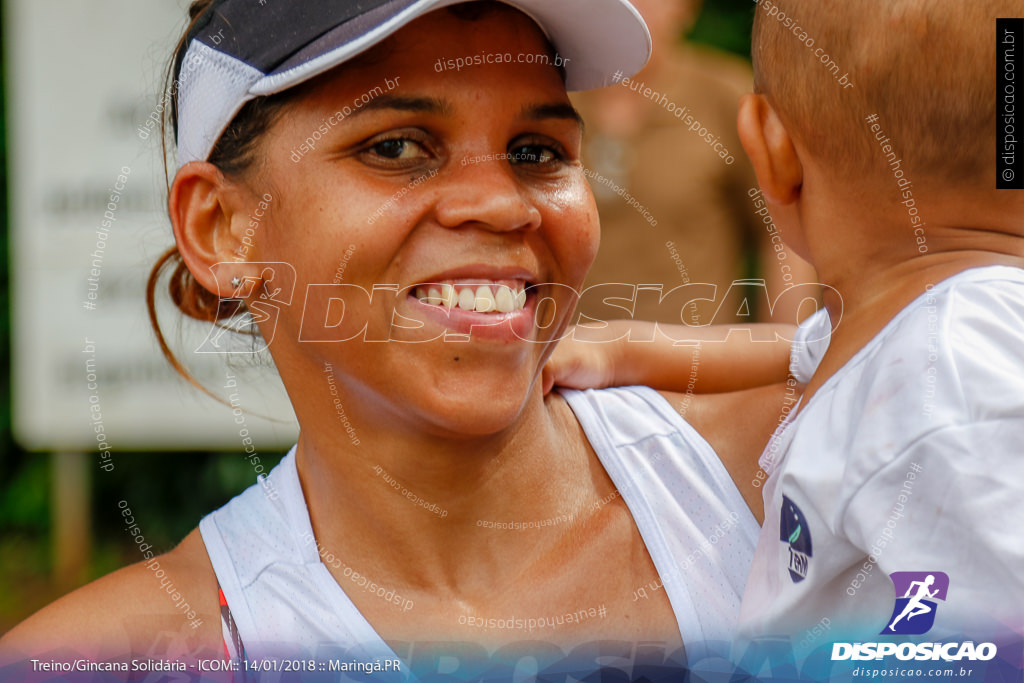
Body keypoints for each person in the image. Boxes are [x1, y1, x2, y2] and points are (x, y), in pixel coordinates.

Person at [0, 1, 799, 679]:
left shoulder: (785, 474)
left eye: (536, 151)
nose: (500, 202)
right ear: (222, 229)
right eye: (396, 147)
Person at [548, 0, 1024, 667]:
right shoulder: (906, 335)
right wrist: (617, 348)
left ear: (772, 151)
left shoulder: (958, 367)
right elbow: (789, 350)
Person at [571, 0, 817, 327]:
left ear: (686, 8)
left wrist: (787, 358)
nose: (633, 8)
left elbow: (785, 236)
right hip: (557, 365)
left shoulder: (726, 98)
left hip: (694, 371)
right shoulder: (552, 94)